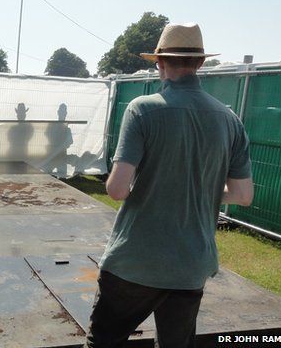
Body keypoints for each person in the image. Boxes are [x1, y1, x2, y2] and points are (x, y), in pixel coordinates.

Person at [86, 23, 254, 348]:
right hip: (191, 266)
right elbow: (243, 196)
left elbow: (117, 190)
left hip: (134, 262)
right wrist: (200, 190)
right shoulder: (230, 120)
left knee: (104, 342)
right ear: (200, 64)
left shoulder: (142, 109)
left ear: (159, 63)